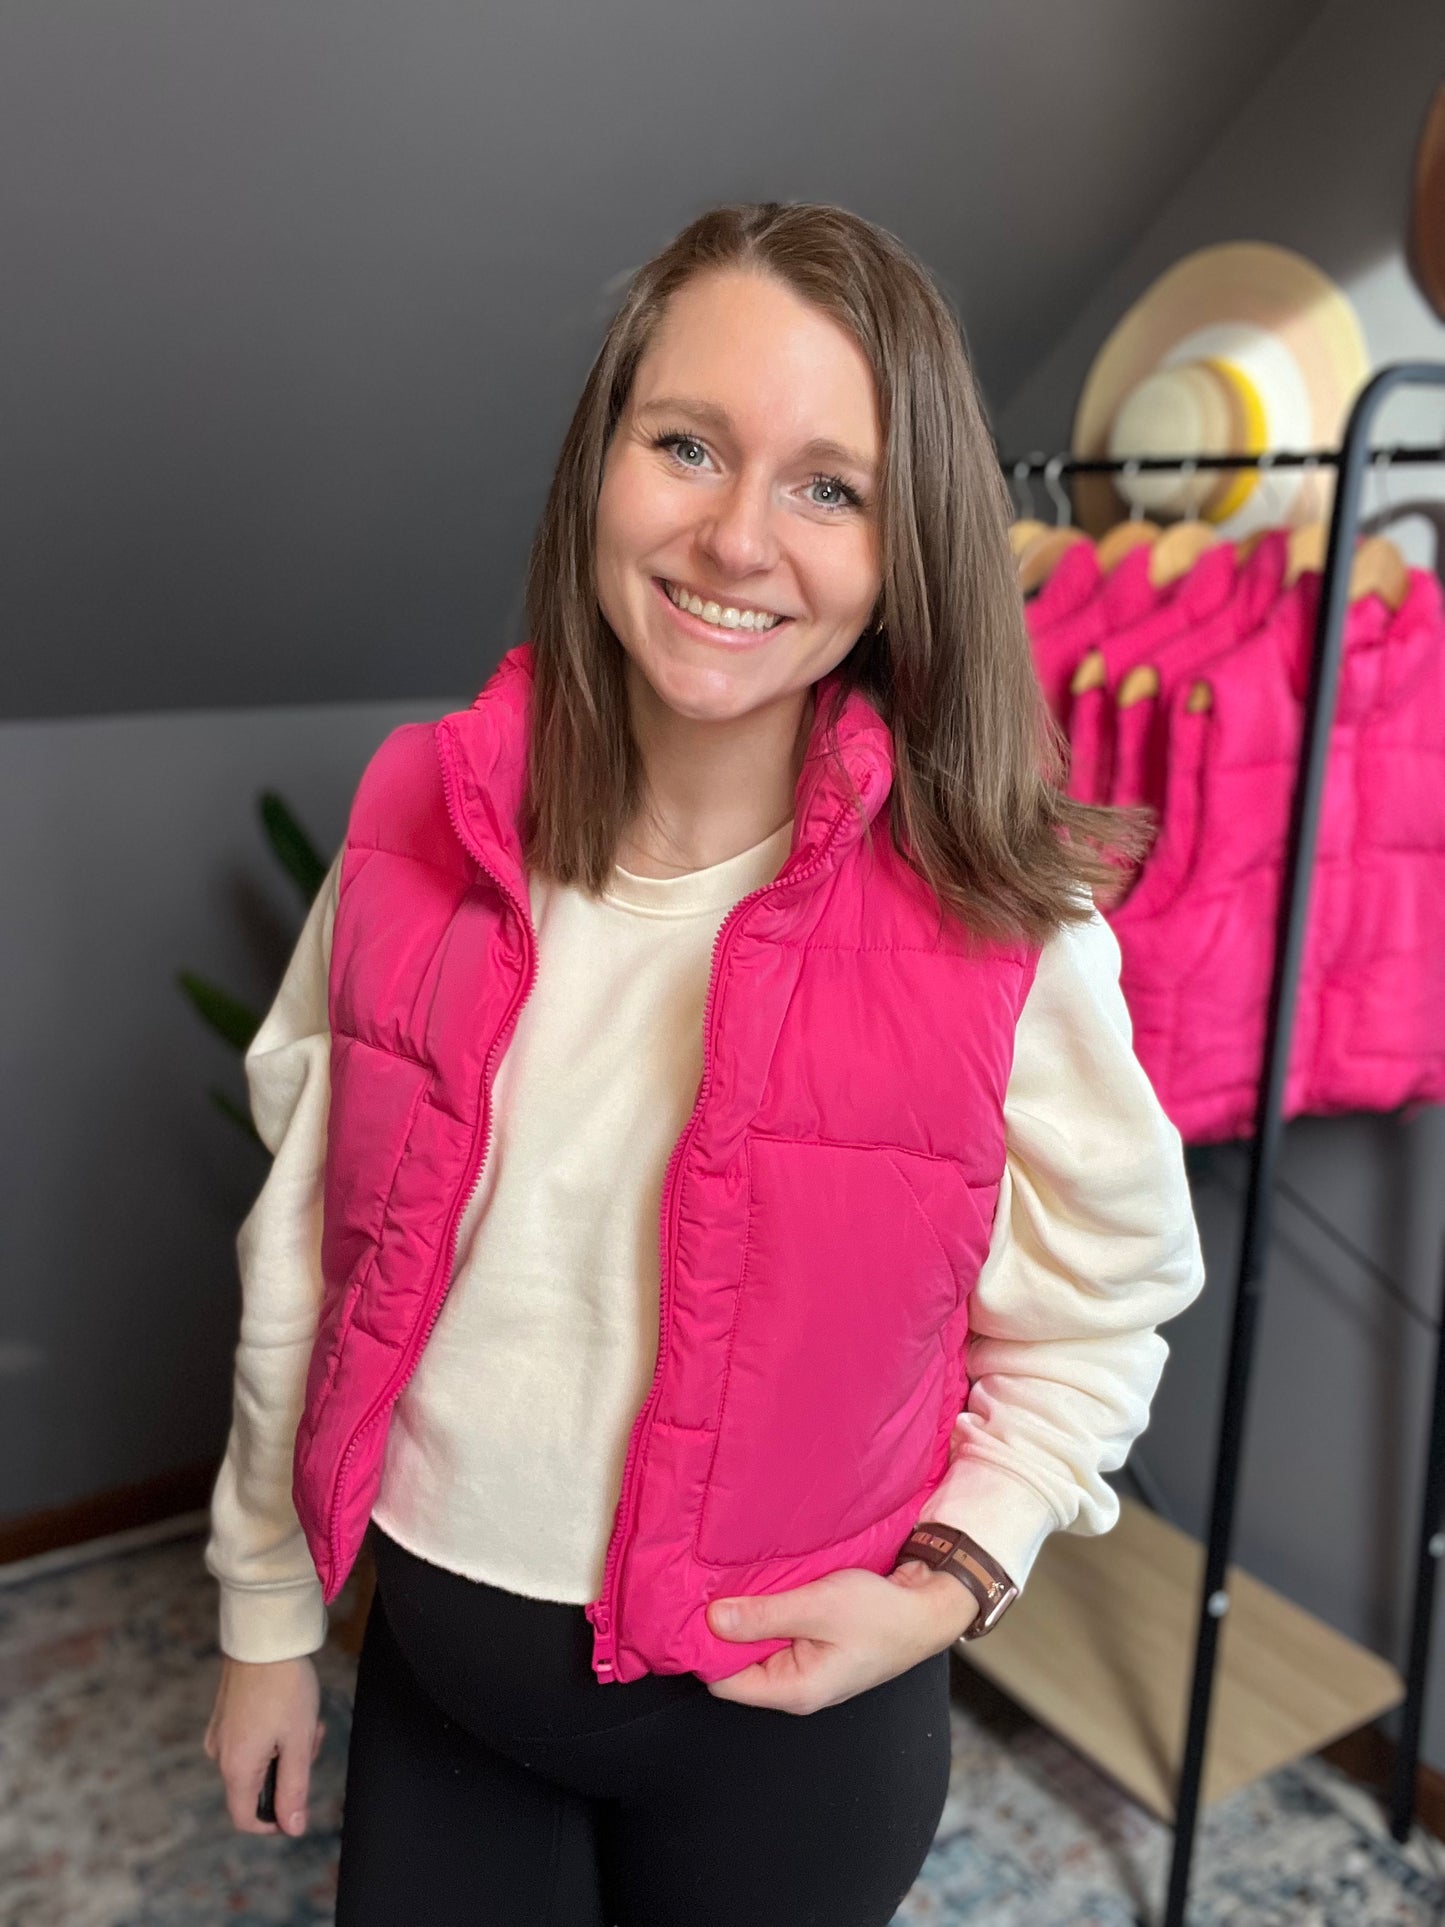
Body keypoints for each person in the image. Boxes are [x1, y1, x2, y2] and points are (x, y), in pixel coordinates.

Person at [202, 199, 1206, 1926]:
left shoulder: (1002, 923)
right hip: (445, 1701)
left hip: (785, 1752)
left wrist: (951, 1579)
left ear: (906, 555)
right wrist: (265, 1621)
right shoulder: (408, 824)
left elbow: (1101, 1318)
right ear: (604, 462)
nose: (741, 537)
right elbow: (307, 1260)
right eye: (689, 446)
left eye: (830, 487)